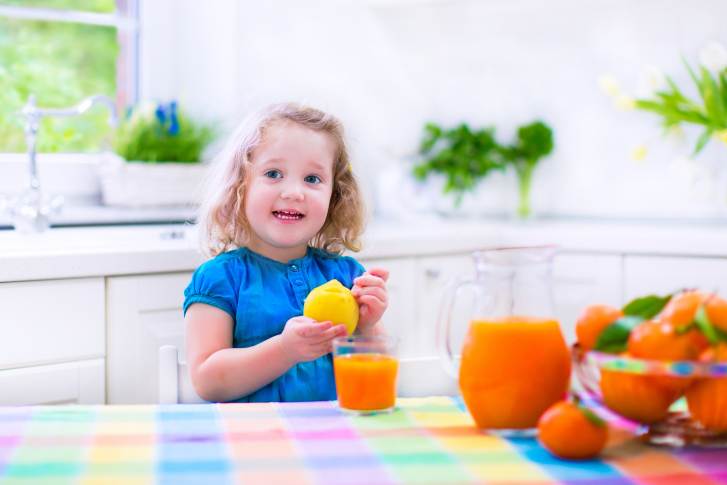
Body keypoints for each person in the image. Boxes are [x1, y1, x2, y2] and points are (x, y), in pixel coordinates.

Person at [183, 103, 389, 403]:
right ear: (240, 185)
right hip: (254, 443)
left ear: (335, 195)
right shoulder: (220, 279)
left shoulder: (347, 277)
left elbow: (378, 374)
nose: (294, 192)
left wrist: (367, 326)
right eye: (274, 173)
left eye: (312, 179)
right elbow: (207, 380)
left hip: (336, 439)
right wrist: (284, 351)